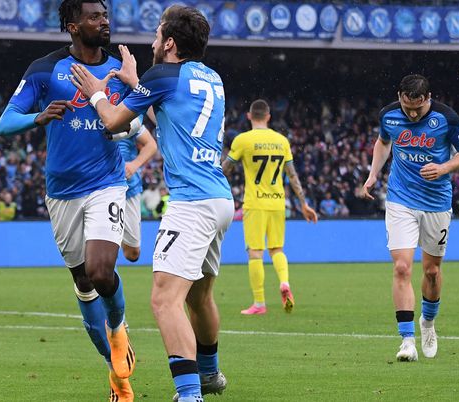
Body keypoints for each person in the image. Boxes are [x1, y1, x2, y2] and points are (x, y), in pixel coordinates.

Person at [71, 5, 233, 401]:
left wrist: (96, 93)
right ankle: (209, 374)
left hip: (191, 203)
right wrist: (136, 83)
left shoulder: (162, 76)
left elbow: (113, 120)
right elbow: (174, 120)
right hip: (219, 198)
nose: (153, 42)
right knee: (199, 297)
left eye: (158, 35)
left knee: (164, 299)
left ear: (170, 43)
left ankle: (189, 394)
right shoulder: (211, 77)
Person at [0, 1, 139, 400]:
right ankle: (117, 377)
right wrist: (38, 117)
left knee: (101, 272)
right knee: (83, 280)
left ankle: (118, 329)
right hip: (62, 192)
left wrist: (129, 100)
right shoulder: (45, 69)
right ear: (73, 26)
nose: (104, 21)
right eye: (95, 16)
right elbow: (5, 123)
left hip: (107, 183)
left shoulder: (120, 70)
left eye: (106, 15)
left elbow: (138, 121)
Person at [361, 74, 459, 361]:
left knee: (432, 271)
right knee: (402, 267)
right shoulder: (388, 115)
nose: (412, 114)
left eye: (418, 108)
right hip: (401, 199)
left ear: (428, 98)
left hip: (436, 203)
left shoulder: (446, 118)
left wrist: (444, 168)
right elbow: (383, 143)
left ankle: (428, 322)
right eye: (407, 107)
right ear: (399, 97)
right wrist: (373, 174)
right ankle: (407, 340)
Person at [222, 99, 318, 315]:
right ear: (268, 117)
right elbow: (292, 175)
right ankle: (284, 281)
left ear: (249, 116)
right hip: (277, 202)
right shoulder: (281, 141)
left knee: (255, 253)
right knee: (277, 249)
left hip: (255, 203)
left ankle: (259, 303)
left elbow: (225, 169)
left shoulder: (243, 140)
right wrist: (304, 203)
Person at [117, 125, 157, 262]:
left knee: (132, 253)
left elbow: (151, 145)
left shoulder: (128, 117)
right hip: (97, 185)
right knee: (101, 242)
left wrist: (134, 165)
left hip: (128, 187)